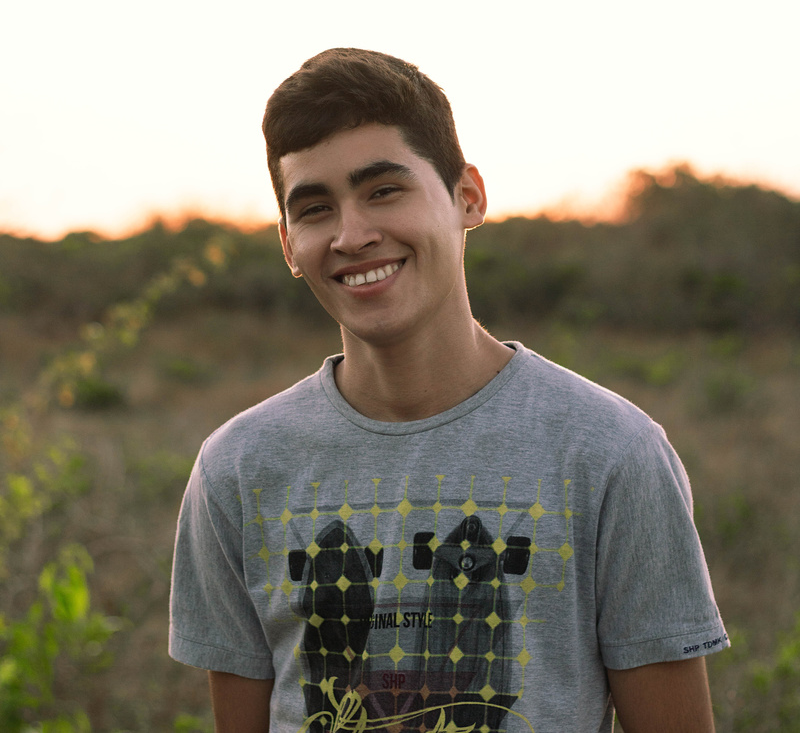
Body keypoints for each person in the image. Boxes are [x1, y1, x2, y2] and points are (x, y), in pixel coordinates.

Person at [169, 48, 729, 732]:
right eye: (315, 209)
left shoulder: (610, 453)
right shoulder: (238, 469)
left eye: (383, 190)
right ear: (288, 243)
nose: (352, 234)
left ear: (468, 196)